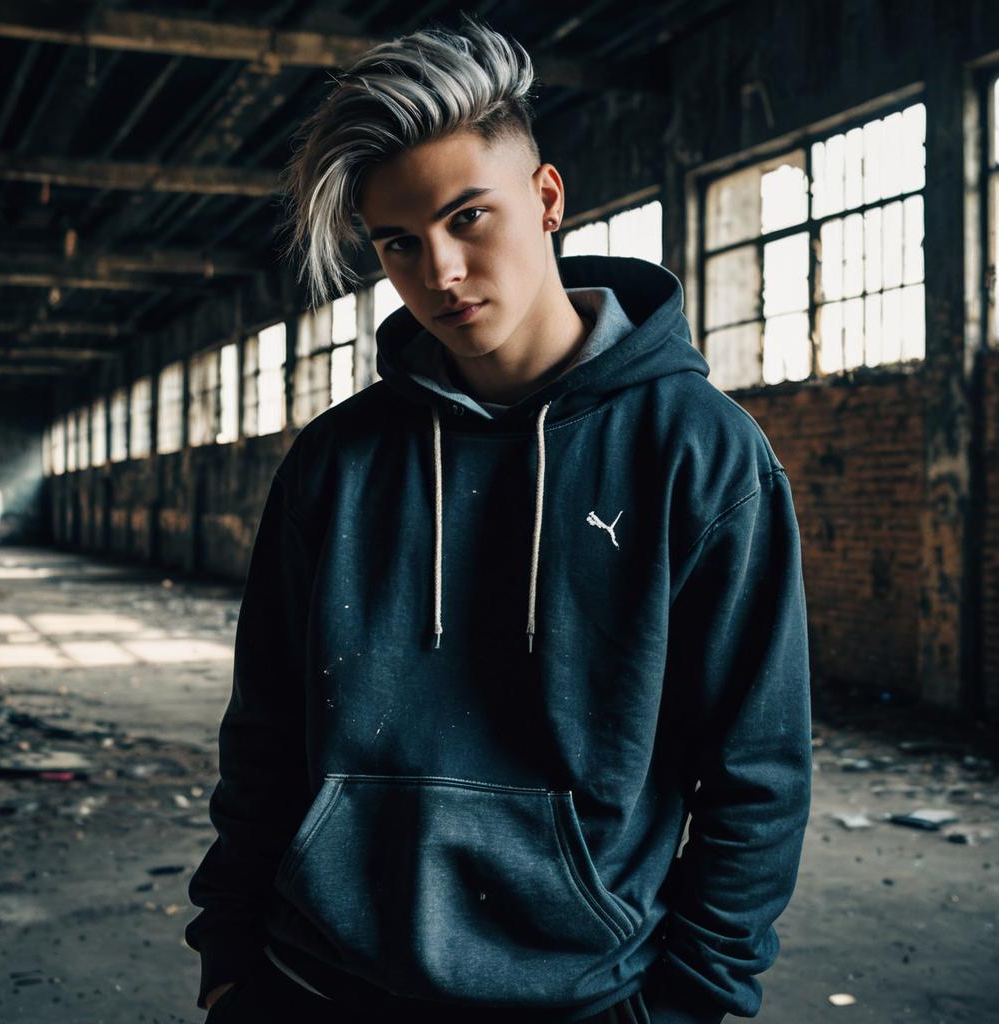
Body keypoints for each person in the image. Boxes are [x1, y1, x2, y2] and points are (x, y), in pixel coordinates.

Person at [184, 14, 813, 1024]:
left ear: (548, 197)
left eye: (467, 217)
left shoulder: (698, 451)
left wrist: (691, 997)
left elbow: (755, 768)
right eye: (398, 242)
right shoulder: (335, 463)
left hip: (581, 996)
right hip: (312, 982)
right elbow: (263, 733)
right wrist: (227, 959)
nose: (437, 270)